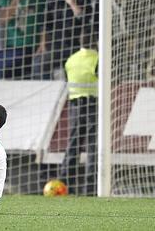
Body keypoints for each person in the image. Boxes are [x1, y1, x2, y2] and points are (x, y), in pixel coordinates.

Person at [60, 30, 98, 196]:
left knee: (73, 144)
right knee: (92, 146)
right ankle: (91, 188)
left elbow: (67, 80)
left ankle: (64, 183)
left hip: (74, 105)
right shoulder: (98, 58)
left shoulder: (71, 60)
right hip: (93, 104)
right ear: (96, 42)